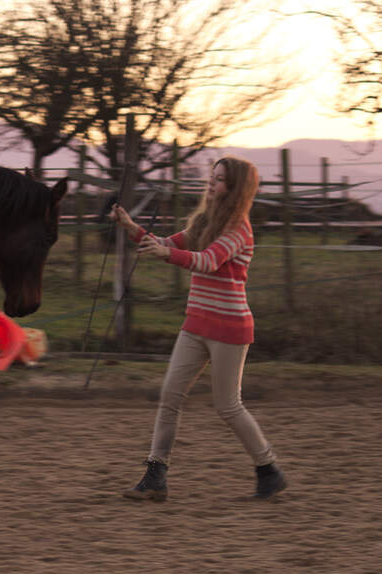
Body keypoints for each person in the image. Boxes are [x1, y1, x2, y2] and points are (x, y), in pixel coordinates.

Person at [109, 156, 287, 501]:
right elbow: (170, 243)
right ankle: (155, 476)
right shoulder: (206, 221)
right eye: (212, 177)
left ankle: (268, 468)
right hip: (196, 323)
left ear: (235, 189)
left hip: (230, 328)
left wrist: (164, 255)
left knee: (228, 406)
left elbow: (207, 261)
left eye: (219, 180)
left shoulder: (239, 229)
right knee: (170, 397)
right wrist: (131, 227)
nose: (211, 183)